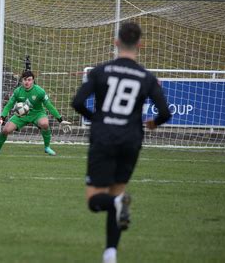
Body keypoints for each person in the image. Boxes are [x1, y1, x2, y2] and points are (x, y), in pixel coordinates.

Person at [71, 22, 171, 263]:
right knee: (118, 194)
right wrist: (153, 124)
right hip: (131, 140)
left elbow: (77, 102)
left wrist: (96, 119)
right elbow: (165, 112)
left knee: (96, 201)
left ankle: (116, 205)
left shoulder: (100, 71)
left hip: (104, 138)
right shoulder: (146, 77)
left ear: (116, 42)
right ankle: (110, 252)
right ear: (140, 45)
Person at [0, 70, 71, 156]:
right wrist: (2, 118)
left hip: (37, 114)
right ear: (22, 80)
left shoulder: (40, 91)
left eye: (29, 80)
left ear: (33, 80)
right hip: (21, 116)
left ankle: (47, 147)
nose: (27, 82)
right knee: (6, 130)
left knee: (45, 124)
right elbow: (9, 105)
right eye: (25, 79)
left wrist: (60, 120)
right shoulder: (17, 91)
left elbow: (49, 106)